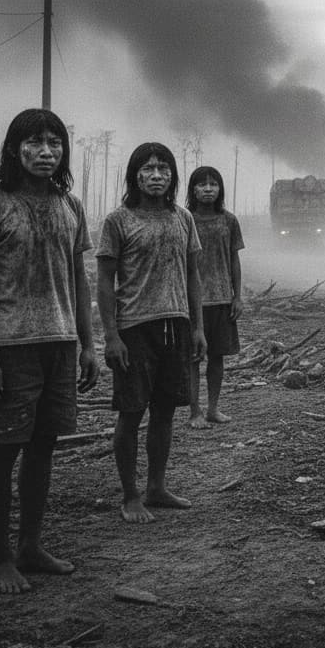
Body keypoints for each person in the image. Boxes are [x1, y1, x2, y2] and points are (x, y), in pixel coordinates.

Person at [0, 108, 99, 594]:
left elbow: (79, 281)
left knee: (44, 448)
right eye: (35, 143)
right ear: (15, 148)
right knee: (4, 450)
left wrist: (88, 344)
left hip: (60, 345)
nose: (46, 152)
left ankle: (30, 546)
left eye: (55, 143)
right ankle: (0, 559)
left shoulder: (70, 205)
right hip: (10, 346)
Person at [96, 142, 206, 524]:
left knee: (164, 412)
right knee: (131, 413)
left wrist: (198, 327)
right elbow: (105, 282)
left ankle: (156, 487)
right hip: (134, 329)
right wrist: (110, 336)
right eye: (148, 169)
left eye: (163, 169)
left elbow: (193, 275)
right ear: (135, 176)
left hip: (175, 325)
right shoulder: (118, 221)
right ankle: (130, 496)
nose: (156, 175)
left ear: (173, 176)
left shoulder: (183, 219)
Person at [185, 166, 244, 429]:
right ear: (193, 189)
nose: (208, 189)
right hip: (192, 302)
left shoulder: (228, 220)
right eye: (202, 184)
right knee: (192, 359)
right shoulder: (185, 219)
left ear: (220, 189)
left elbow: (234, 258)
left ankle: (213, 409)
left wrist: (237, 296)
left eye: (213, 184)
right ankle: (194, 412)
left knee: (217, 358)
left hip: (221, 299)